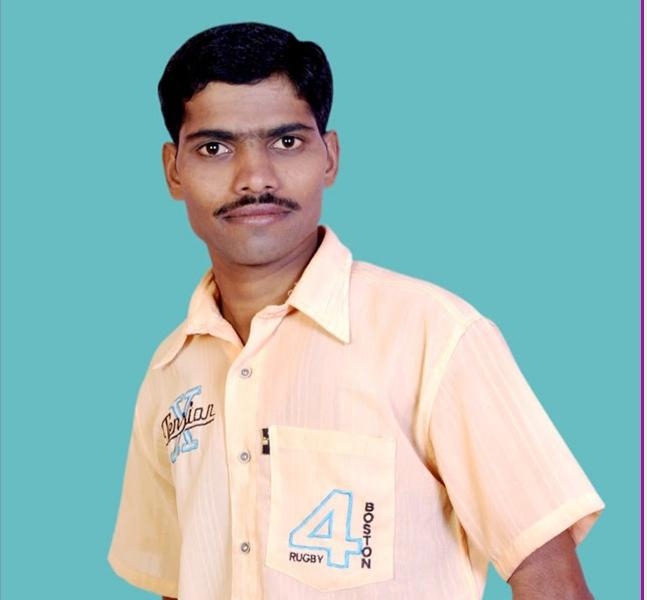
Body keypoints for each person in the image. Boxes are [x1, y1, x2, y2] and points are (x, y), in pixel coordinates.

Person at [108, 22, 604, 600]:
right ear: (173, 170)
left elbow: (551, 581)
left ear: (330, 157)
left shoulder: (434, 338)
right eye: (215, 148)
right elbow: (177, 582)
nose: (254, 178)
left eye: (286, 142)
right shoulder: (171, 372)